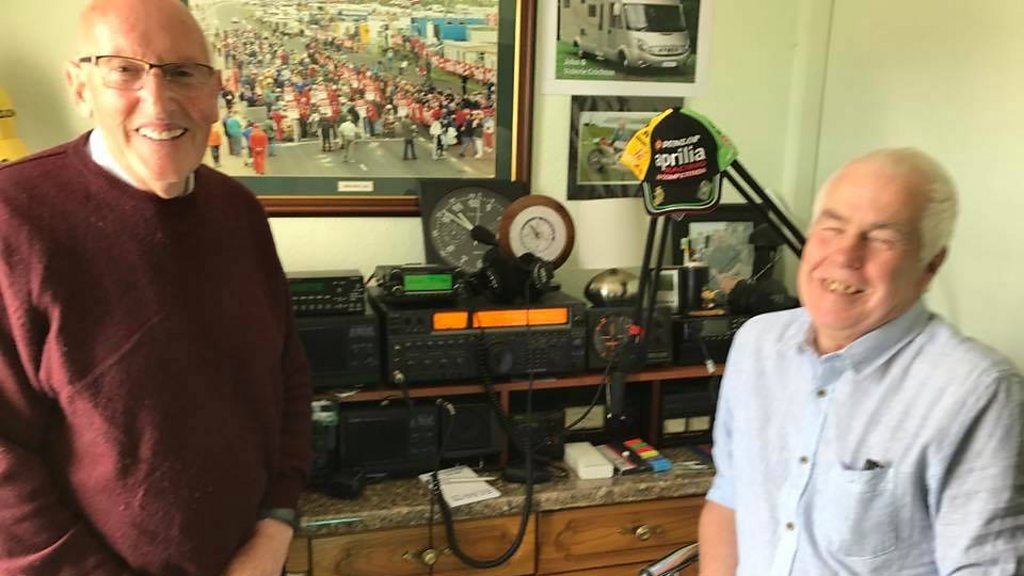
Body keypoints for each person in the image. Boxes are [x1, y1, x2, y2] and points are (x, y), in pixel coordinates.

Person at [0, 0, 312, 574]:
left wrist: (276, 526)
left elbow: (286, 374)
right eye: (125, 70)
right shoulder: (12, 217)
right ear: (80, 86)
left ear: (214, 90)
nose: (159, 101)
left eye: (183, 72)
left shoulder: (239, 212)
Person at [698, 148, 1023, 575]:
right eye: (832, 228)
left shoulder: (977, 391)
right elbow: (730, 497)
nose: (845, 255)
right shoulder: (757, 344)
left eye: (882, 239)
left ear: (930, 266)